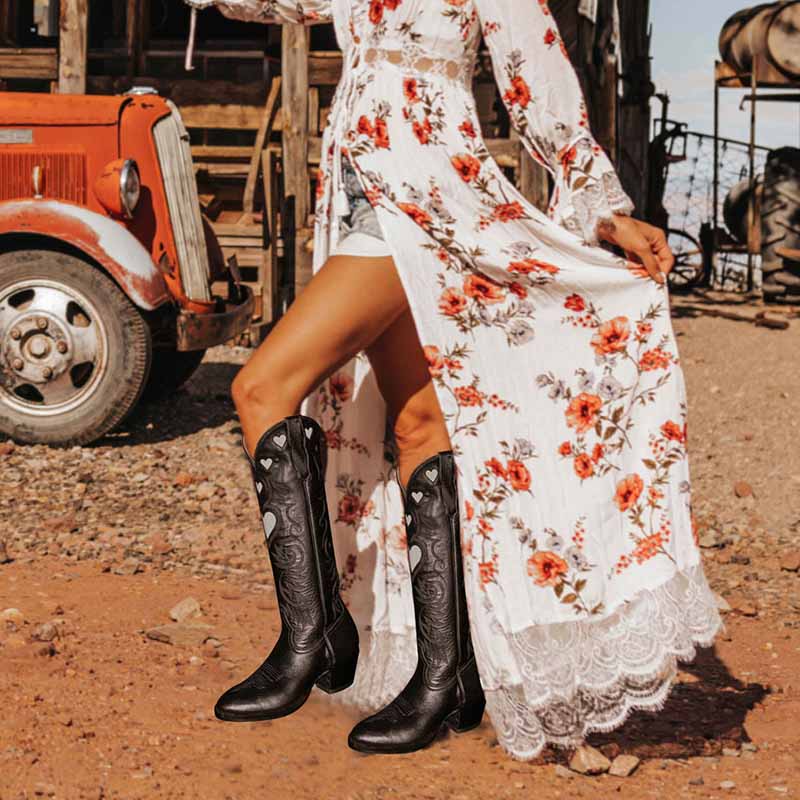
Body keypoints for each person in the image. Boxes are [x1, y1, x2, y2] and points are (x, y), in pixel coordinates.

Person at [183, 0, 724, 761]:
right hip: (359, 195)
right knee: (419, 428)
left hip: (422, 199)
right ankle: (448, 676)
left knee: (261, 387)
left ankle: (314, 634)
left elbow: (541, 80)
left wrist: (603, 207)